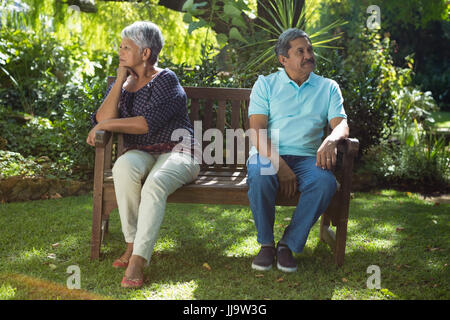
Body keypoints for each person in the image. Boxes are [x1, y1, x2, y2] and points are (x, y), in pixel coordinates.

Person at [87, 21, 200, 288]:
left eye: (127, 46)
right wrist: (119, 81)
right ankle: (130, 243)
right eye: (121, 45)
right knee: (122, 168)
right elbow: (102, 117)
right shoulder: (125, 84)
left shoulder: (166, 80)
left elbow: (145, 123)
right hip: (142, 152)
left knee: (155, 183)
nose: (120, 50)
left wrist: (104, 126)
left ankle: (138, 259)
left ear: (146, 53)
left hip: (180, 152)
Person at [246, 28, 349, 273]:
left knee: (325, 183)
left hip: (307, 159)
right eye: (300, 51)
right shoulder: (266, 84)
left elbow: (341, 124)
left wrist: (332, 140)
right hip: (269, 155)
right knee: (260, 174)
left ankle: (287, 245)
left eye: (310, 50)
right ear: (283, 59)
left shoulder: (328, 87)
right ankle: (266, 245)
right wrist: (280, 166)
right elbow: (257, 131)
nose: (308, 55)